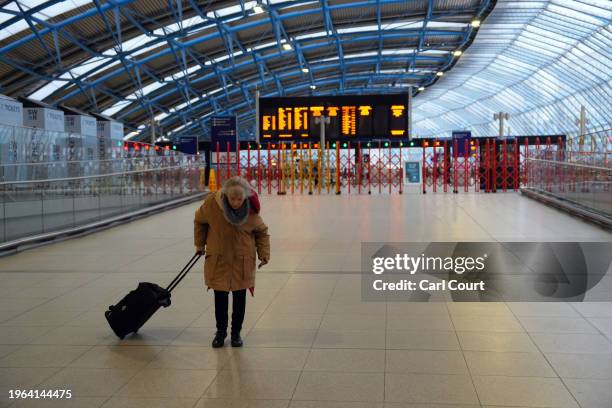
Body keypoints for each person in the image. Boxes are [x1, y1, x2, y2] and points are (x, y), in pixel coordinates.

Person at [194, 176, 270, 348]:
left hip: (242, 261)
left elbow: (262, 232)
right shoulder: (212, 205)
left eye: (240, 199)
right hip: (219, 259)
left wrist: (263, 253)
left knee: (239, 299)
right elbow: (199, 220)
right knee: (220, 298)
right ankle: (220, 332)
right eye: (232, 199)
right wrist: (200, 244)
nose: (236, 203)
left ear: (246, 197)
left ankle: (236, 333)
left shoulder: (251, 210)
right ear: (225, 195)